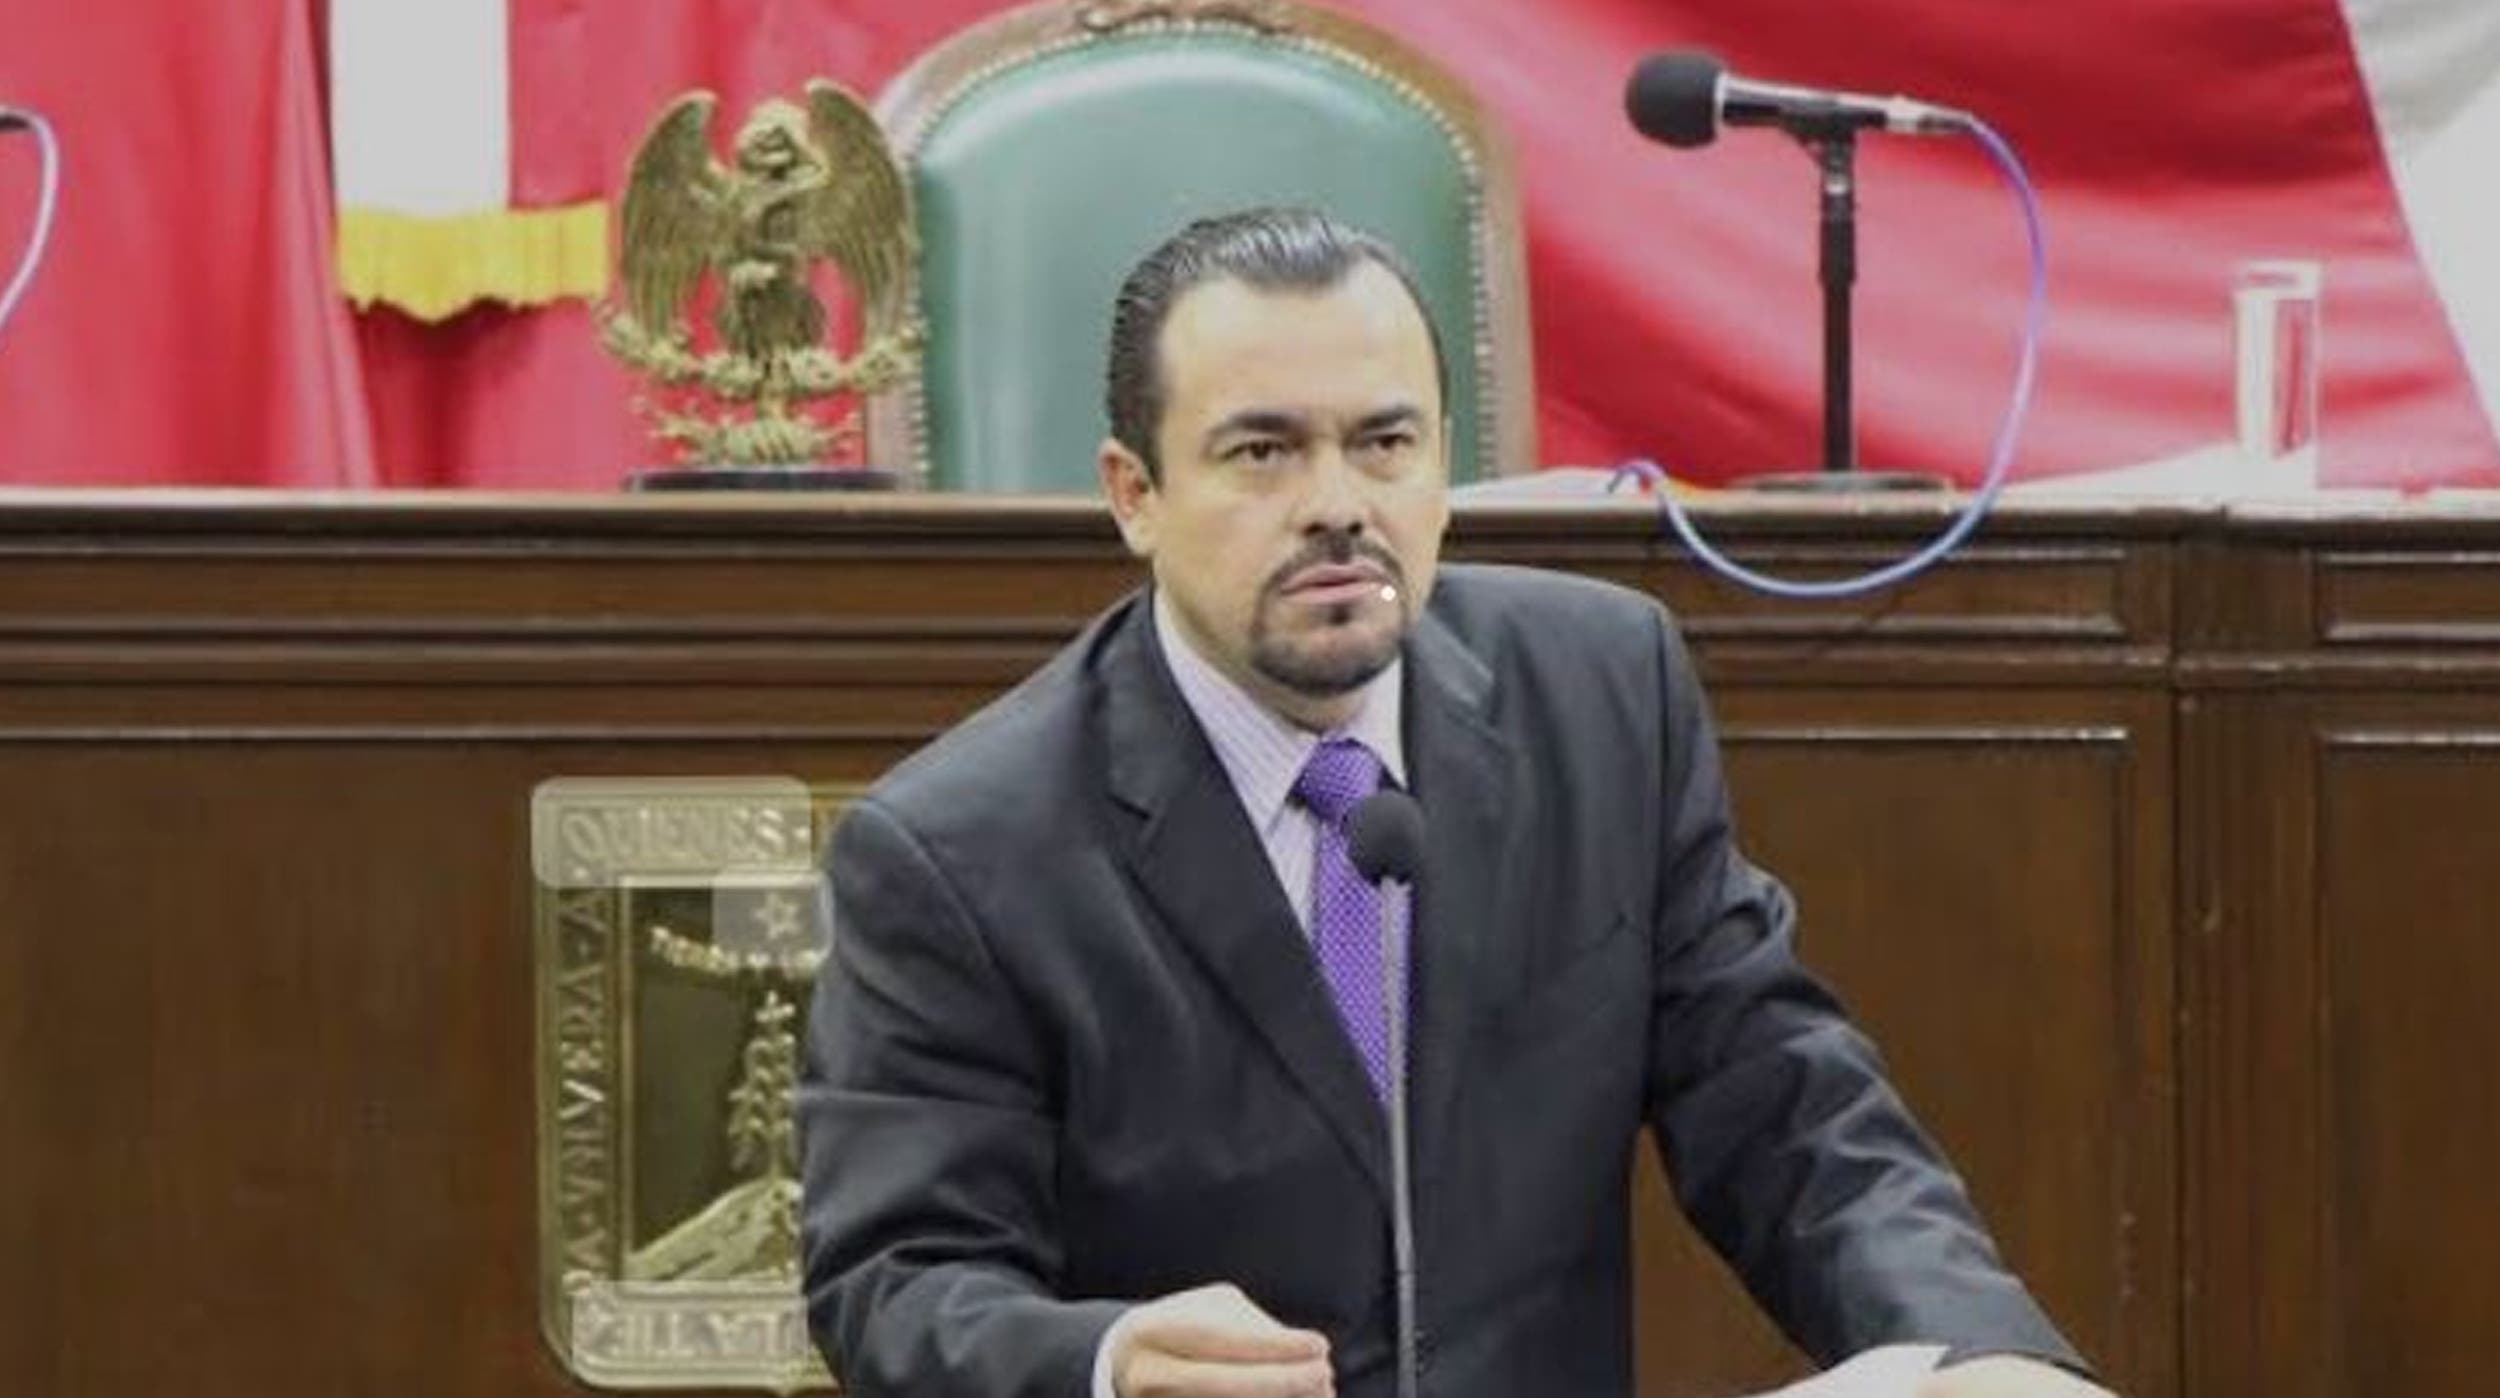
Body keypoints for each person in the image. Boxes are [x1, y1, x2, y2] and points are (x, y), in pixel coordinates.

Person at [798, 207, 2109, 1398]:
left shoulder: (1604, 696)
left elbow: (1780, 1098)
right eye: (1262, 451)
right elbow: (897, 1280)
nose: (1336, 507)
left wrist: (1973, 1346)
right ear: (1134, 495)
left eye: (1385, 444)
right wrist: (1102, 1362)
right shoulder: (961, 849)